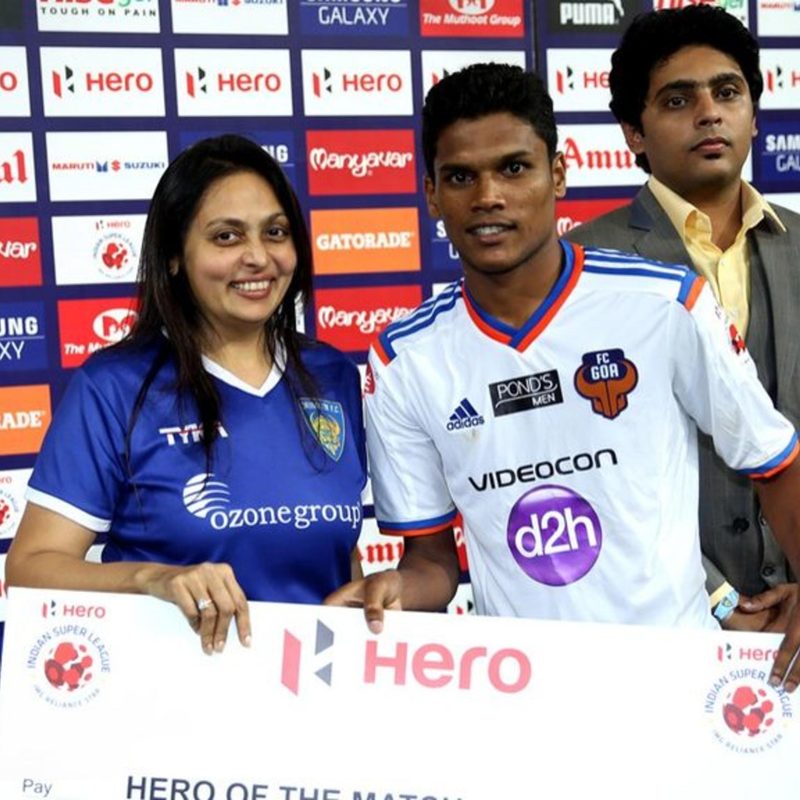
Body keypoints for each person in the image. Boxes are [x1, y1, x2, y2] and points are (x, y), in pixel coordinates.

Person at [325, 62, 800, 692]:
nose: (488, 196)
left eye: (513, 168)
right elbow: (432, 563)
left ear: (558, 174)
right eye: (461, 177)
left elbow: (774, 461)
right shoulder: (403, 358)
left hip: (679, 678)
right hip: (523, 691)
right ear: (432, 194)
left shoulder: (665, 303)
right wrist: (395, 591)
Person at [7, 134, 367, 655]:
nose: (258, 257)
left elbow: (337, 553)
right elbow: (30, 570)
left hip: (315, 684)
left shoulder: (332, 374)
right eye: (227, 237)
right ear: (175, 256)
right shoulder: (114, 386)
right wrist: (153, 579)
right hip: (170, 693)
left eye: (275, 232)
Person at [566, 5, 800, 634]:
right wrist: (719, 600)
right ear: (633, 134)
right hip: (658, 622)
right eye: (677, 100)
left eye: (728, 92)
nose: (709, 113)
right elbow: (584, 471)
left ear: (754, 113)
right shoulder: (581, 268)